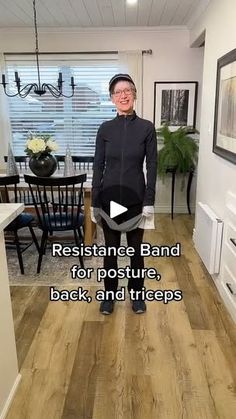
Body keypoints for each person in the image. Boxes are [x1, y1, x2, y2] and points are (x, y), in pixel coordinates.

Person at [91, 73, 157, 315]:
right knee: (110, 251)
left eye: (127, 90)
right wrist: (94, 201)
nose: (123, 95)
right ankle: (109, 296)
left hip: (135, 200)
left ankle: (137, 295)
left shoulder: (146, 128)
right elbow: (98, 166)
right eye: (118, 92)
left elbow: (152, 165)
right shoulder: (105, 129)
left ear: (134, 94)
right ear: (112, 98)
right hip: (108, 200)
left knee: (136, 252)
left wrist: (149, 201)